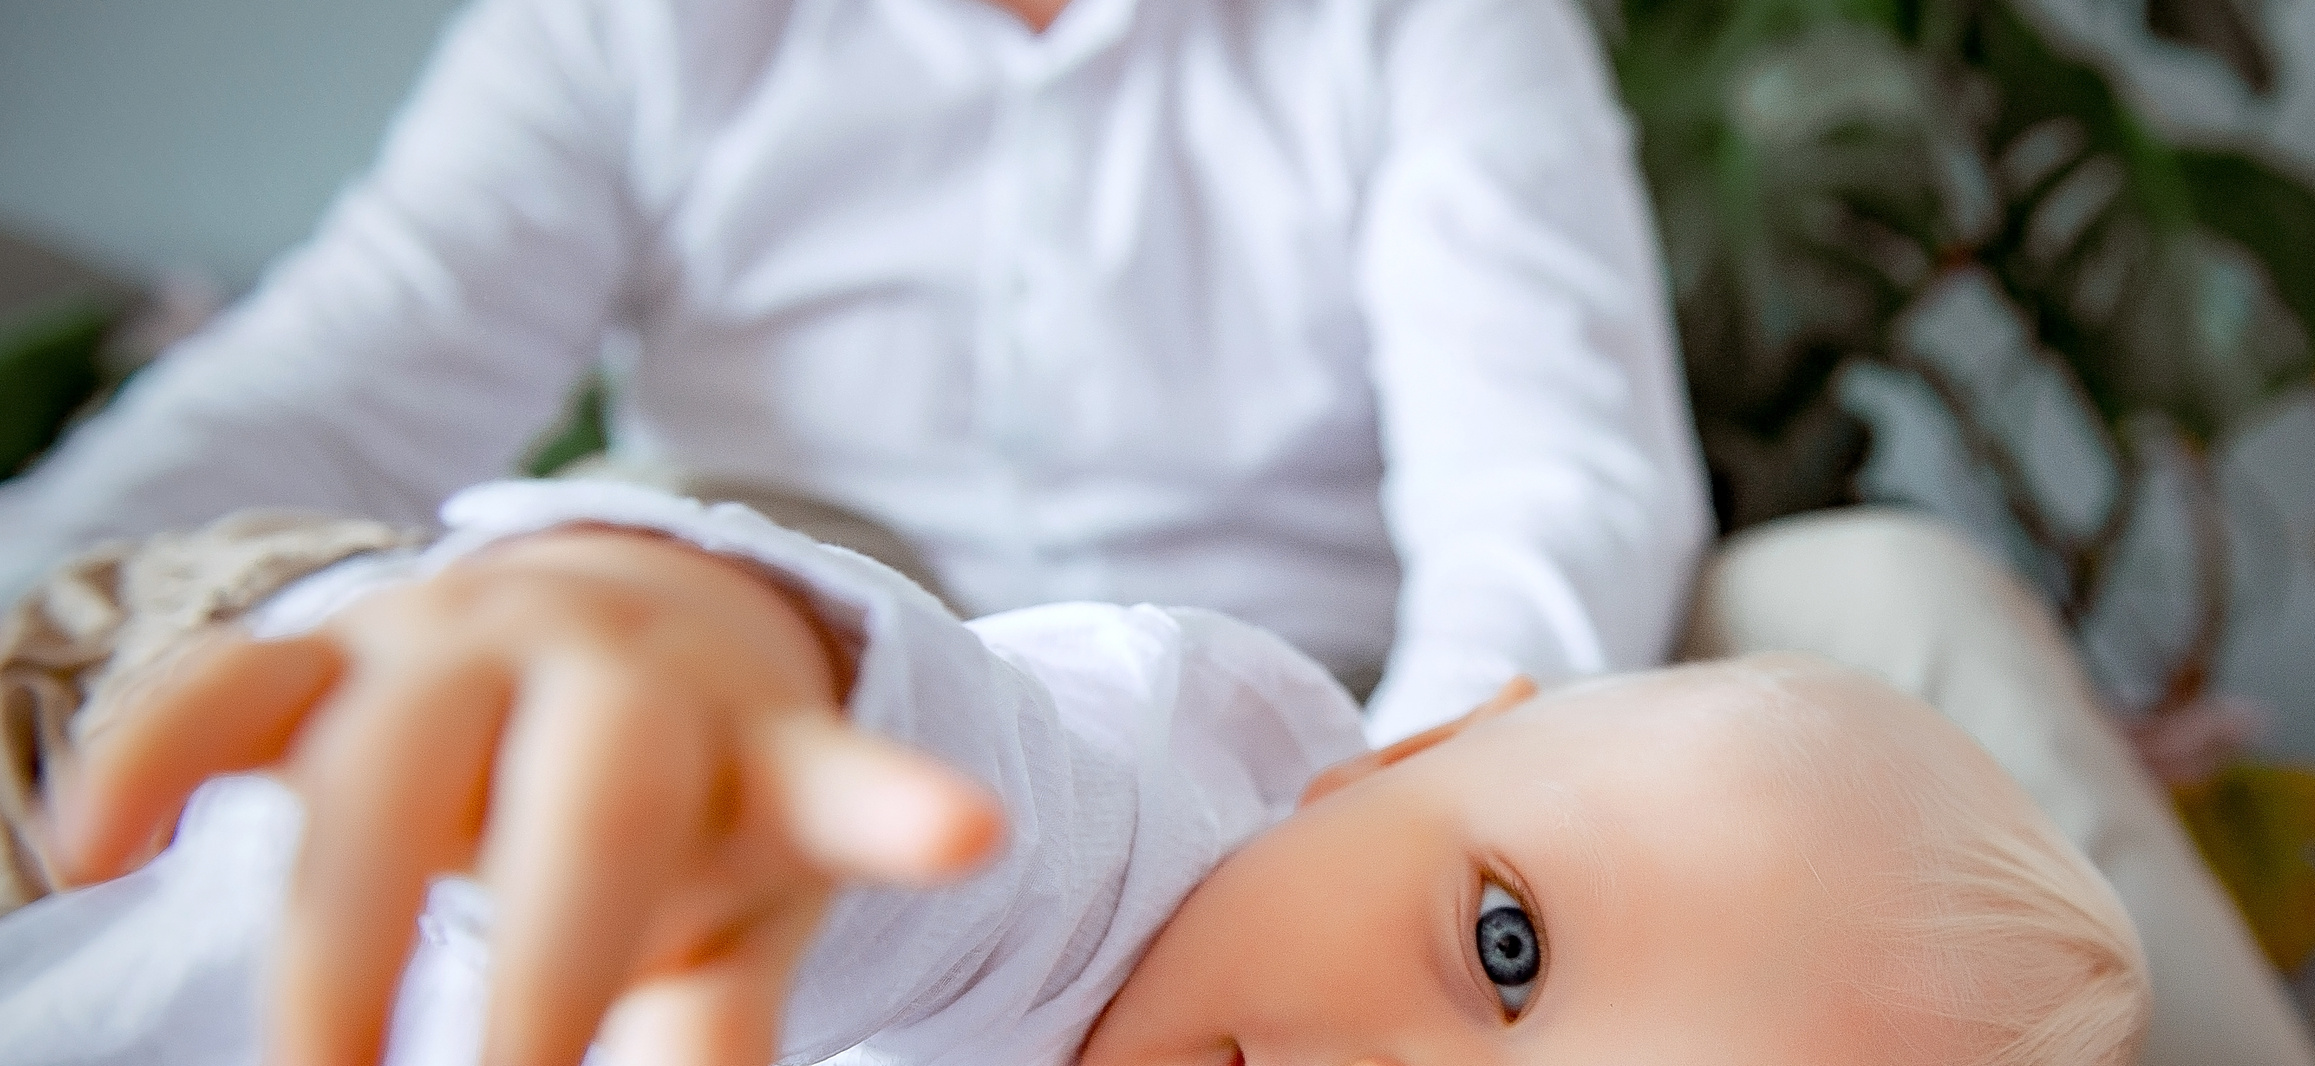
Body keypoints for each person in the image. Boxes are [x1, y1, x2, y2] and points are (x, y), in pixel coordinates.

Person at [0, 482, 2148, 1066]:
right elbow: (950, 834)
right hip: (161, 747)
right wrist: (714, 683)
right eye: (1504, 946)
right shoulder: (1093, 875)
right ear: (1396, 757)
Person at [0, 0, 1708, 745]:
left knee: (1878, 599)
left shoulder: (1434, 20)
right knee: (630, 545)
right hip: (806, 693)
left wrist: (1395, 813)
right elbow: (338, 388)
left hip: (1342, 703)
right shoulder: (626, 23)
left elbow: (1555, 483)